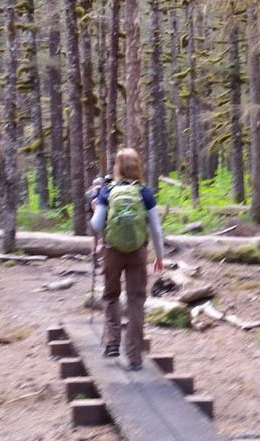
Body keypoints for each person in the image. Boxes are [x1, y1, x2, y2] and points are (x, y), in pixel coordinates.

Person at [90, 147, 165, 371]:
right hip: (137, 253)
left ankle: (112, 342)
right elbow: (156, 231)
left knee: (111, 295)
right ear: (138, 167)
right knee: (136, 300)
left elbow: (96, 224)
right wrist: (159, 257)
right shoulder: (144, 192)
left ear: (118, 168)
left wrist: (95, 210)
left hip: (112, 251)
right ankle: (134, 356)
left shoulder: (107, 191)